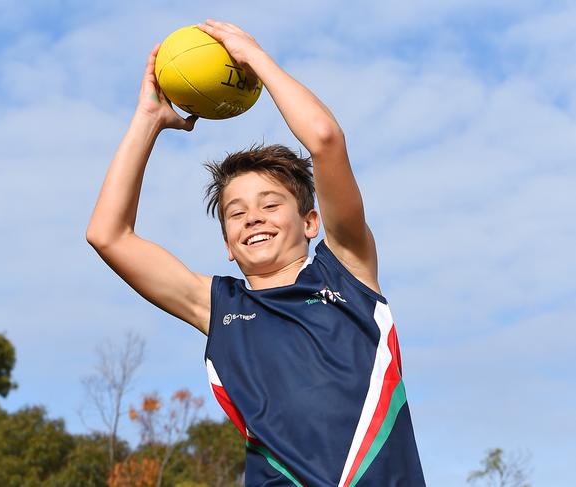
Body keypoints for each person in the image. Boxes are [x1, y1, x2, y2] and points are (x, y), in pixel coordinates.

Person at [87, 19, 425, 487]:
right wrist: (148, 120)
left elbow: (325, 140)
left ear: (310, 222)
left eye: (270, 204)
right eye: (236, 213)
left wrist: (257, 60)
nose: (253, 218)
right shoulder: (219, 307)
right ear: (228, 244)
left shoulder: (347, 269)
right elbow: (108, 235)